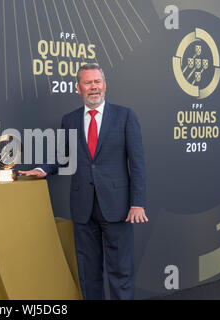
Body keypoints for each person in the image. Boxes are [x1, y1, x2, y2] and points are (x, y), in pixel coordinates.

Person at [18, 63, 147, 300]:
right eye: (87, 83)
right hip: (83, 209)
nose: (93, 87)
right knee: (88, 273)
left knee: (121, 272)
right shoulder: (70, 119)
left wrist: (137, 203)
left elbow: (137, 163)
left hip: (117, 208)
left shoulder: (125, 116)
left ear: (105, 85)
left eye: (97, 82)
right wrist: (42, 169)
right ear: (78, 88)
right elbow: (62, 155)